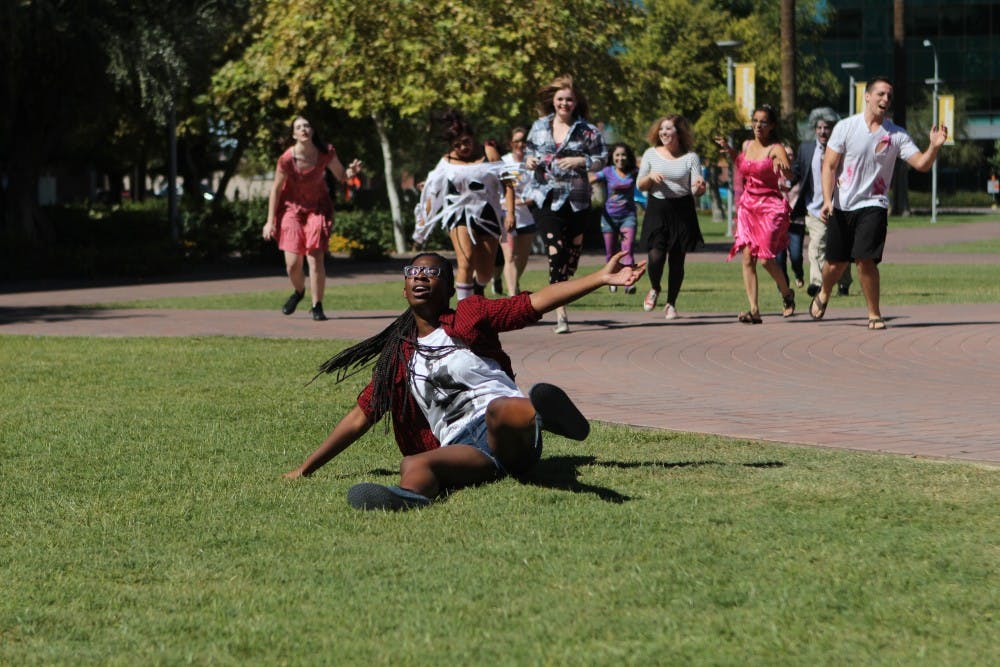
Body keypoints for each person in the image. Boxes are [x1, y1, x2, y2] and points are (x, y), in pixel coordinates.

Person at [282, 251, 647, 511]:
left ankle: (539, 413)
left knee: (499, 411)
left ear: (448, 289)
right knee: (414, 463)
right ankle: (407, 498)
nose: (420, 276)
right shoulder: (397, 358)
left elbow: (531, 303)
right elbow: (360, 417)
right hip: (466, 448)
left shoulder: (470, 316)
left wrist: (600, 277)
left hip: (508, 432)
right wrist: (306, 467)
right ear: (404, 288)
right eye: (413, 271)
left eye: (432, 272)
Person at [812, 77, 948, 330]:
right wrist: (827, 201)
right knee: (835, 264)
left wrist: (934, 146)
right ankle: (824, 292)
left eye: (889, 96)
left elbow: (921, 164)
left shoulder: (896, 134)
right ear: (867, 96)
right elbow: (829, 166)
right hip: (842, 205)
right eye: (881, 94)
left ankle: (874, 313)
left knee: (865, 259)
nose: (885, 99)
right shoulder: (845, 127)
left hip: (874, 204)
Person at [523, 74, 607, 334]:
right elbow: (528, 152)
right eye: (560, 99)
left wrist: (581, 162)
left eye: (569, 99)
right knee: (555, 253)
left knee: (570, 257)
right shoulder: (538, 126)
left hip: (577, 199)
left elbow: (602, 158)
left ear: (576, 102)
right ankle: (560, 311)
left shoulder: (588, 130)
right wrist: (530, 162)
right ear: (553, 101)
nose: (564, 103)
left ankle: (564, 283)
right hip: (546, 196)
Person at [413, 111, 515, 301]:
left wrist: (510, 213)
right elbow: (432, 193)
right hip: (458, 214)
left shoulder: (489, 153)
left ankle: (477, 286)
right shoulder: (447, 162)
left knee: (485, 273)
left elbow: (507, 183)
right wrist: (422, 226)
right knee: (465, 260)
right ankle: (464, 312)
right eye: (457, 145)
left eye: (466, 141)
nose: (463, 147)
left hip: (487, 214)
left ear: (473, 137)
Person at [715, 104, 796, 324]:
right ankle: (754, 309)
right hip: (749, 206)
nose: (758, 126)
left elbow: (789, 174)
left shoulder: (776, 148)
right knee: (748, 256)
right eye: (755, 121)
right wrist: (730, 151)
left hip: (770, 206)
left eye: (763, 122)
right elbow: (742, 165)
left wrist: (783, 166)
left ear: (772, 126)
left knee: (764, 259)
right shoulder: (747, 144)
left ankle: (787, 293)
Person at [263, 115, 349, 321]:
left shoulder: (325, 152)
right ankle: (299, 291)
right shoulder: (286, 159)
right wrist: (269, 221)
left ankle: (317, 305)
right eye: (299, 127)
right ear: (294, 134)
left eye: (307, 125)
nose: (303, 129)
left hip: (317, 209)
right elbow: (275, 189)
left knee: (315, 256)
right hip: (291, 209)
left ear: (312, 131)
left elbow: (342, 176)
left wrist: (351, 172)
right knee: (292, 264)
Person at [637, 115, 707, 320]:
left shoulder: (691, 157)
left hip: (682, 210)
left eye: (668, 129)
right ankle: (655, 287)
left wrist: (700, 187)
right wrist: (650, 178)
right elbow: (639, 184)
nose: (664, 133)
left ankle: (671, 304)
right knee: (656, 256)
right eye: (661, 129)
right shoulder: (650, 154)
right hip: (658, 208)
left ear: (679, 133)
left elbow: (697, 188)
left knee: (677, 260)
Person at [789, 108, 852, 299]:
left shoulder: (843, 149)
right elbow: (797, 172)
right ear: (815, 129)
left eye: (827, 127)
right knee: (816, 245)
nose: (823, 131)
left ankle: (844, 282)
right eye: (819, 127)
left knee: (841, 248)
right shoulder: (806, 149)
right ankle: (816, 283)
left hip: (840, 207)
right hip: (814, 209)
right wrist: (785, 179)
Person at [591, 142, 639, 294]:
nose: (620, 158)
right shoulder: (606, 171)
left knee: (628, 250)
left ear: (628, 157)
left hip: (628, 217)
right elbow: (591, 179)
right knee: (610, 253)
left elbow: (647, 174)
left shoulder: (634, 171)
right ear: (612, 156)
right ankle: (611, 279)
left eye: (623, 155)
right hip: (609, 218)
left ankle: (628, 283)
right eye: (617, 155)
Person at [498, 127, 537, 296]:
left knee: (522, 258)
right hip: (506, 216)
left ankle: (514, 282)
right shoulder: (502, 161)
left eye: (524, 141)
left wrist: (522, 201)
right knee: (510, 257)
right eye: (516, 141)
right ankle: (513, 295)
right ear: (510, 143)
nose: (520, 145)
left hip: (526, 217)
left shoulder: (532, 163)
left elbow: (537, 191)